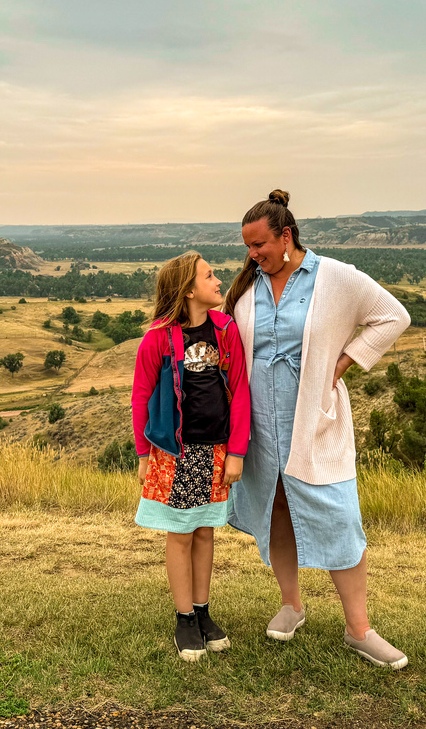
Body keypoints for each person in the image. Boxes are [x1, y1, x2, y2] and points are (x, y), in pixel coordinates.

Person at [225, 190, 412, 669]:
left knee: (340, 516)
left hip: (315, 420)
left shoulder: (334, 277)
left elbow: (393, 316)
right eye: (247, 246)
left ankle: (359, 629)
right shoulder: (249, 287)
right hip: (261, 424)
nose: (252, 254)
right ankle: (291, 603)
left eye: (259, 245)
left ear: (286, 236)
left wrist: (345, 362)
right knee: (276, 507)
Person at [131, 251, 251, 661]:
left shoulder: (225, 331)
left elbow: (240, 393)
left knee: (205, 531)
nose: (219, 281)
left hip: (216, 450)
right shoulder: (158, 339)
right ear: (188, 290)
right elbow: (140, 398)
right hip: (176, 453)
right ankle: (184, 619)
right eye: (210, 275)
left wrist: (236, 451)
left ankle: (203, 612)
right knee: (180, 534)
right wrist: (142, 453)